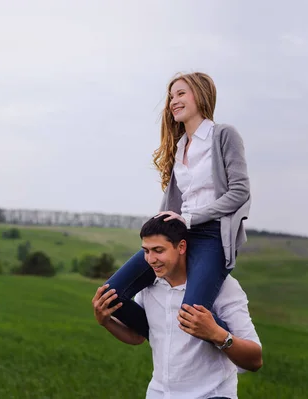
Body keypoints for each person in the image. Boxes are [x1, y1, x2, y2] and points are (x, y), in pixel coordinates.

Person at [103, 72, 251, 340]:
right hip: (178, 233)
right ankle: (158, 335)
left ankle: (237, 345)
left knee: (190, 313)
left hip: (212, 236)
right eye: (171, 96)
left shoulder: (223, 135)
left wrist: (191, 219)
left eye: (181, 93)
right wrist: (157, 228)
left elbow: (239, 193)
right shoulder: (180, 146)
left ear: (201, 95)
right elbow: (172, 202)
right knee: (110, 293)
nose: (173, 101)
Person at [92, 216, 262, 399]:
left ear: (181, 247)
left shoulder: (222, 287)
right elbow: (137, 337)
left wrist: (216, 333)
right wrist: (107, 322)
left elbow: (255, 359)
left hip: (211, 395)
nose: (151, 259)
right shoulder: (148, 287)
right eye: (146, 251)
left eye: (158, 250)